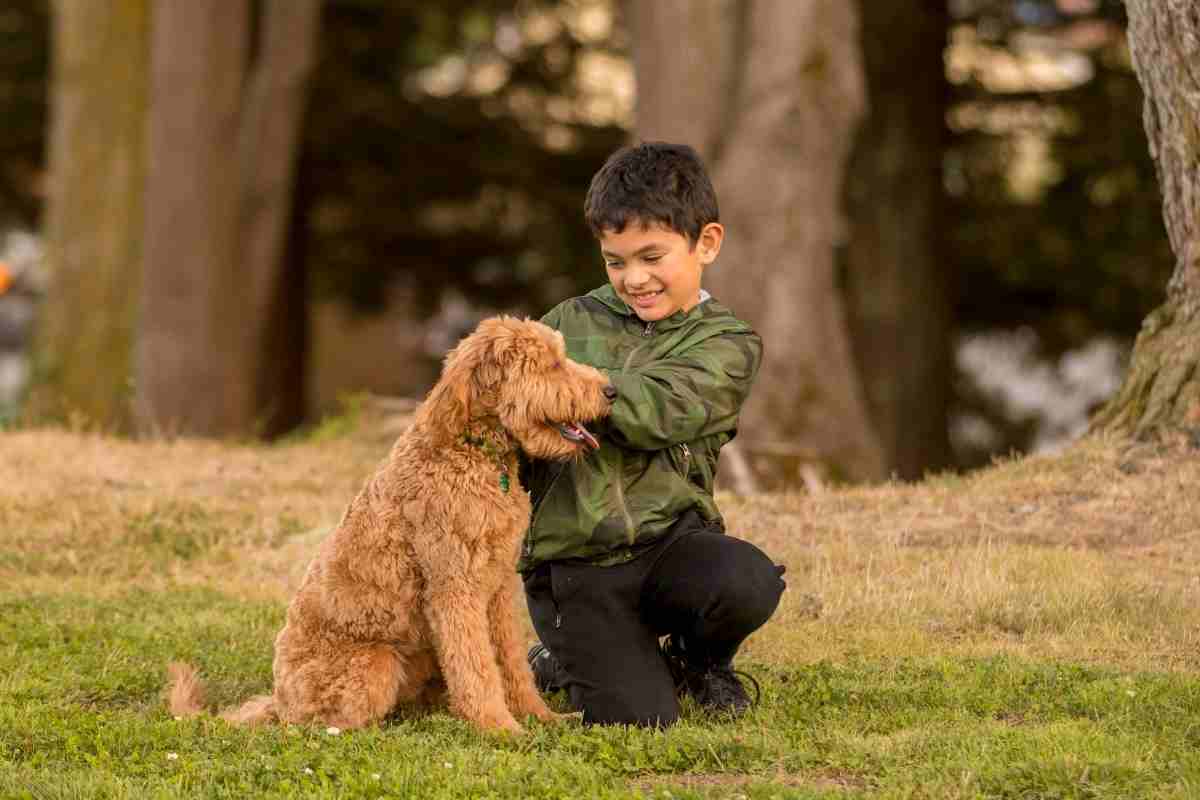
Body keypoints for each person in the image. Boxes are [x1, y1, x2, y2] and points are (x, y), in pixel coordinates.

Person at [520, 141, 786, 727]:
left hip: (671, 545)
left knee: (748, 580)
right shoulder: (564, 323)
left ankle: (698, 662)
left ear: (706, 243)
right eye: (616, 262)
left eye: (651, 256)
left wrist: (564, 391)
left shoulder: (729, 344)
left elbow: (659, 410)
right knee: (640, 722)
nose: (634, 279)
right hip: (575, 564)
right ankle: (559, 659)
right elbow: (509, 410)